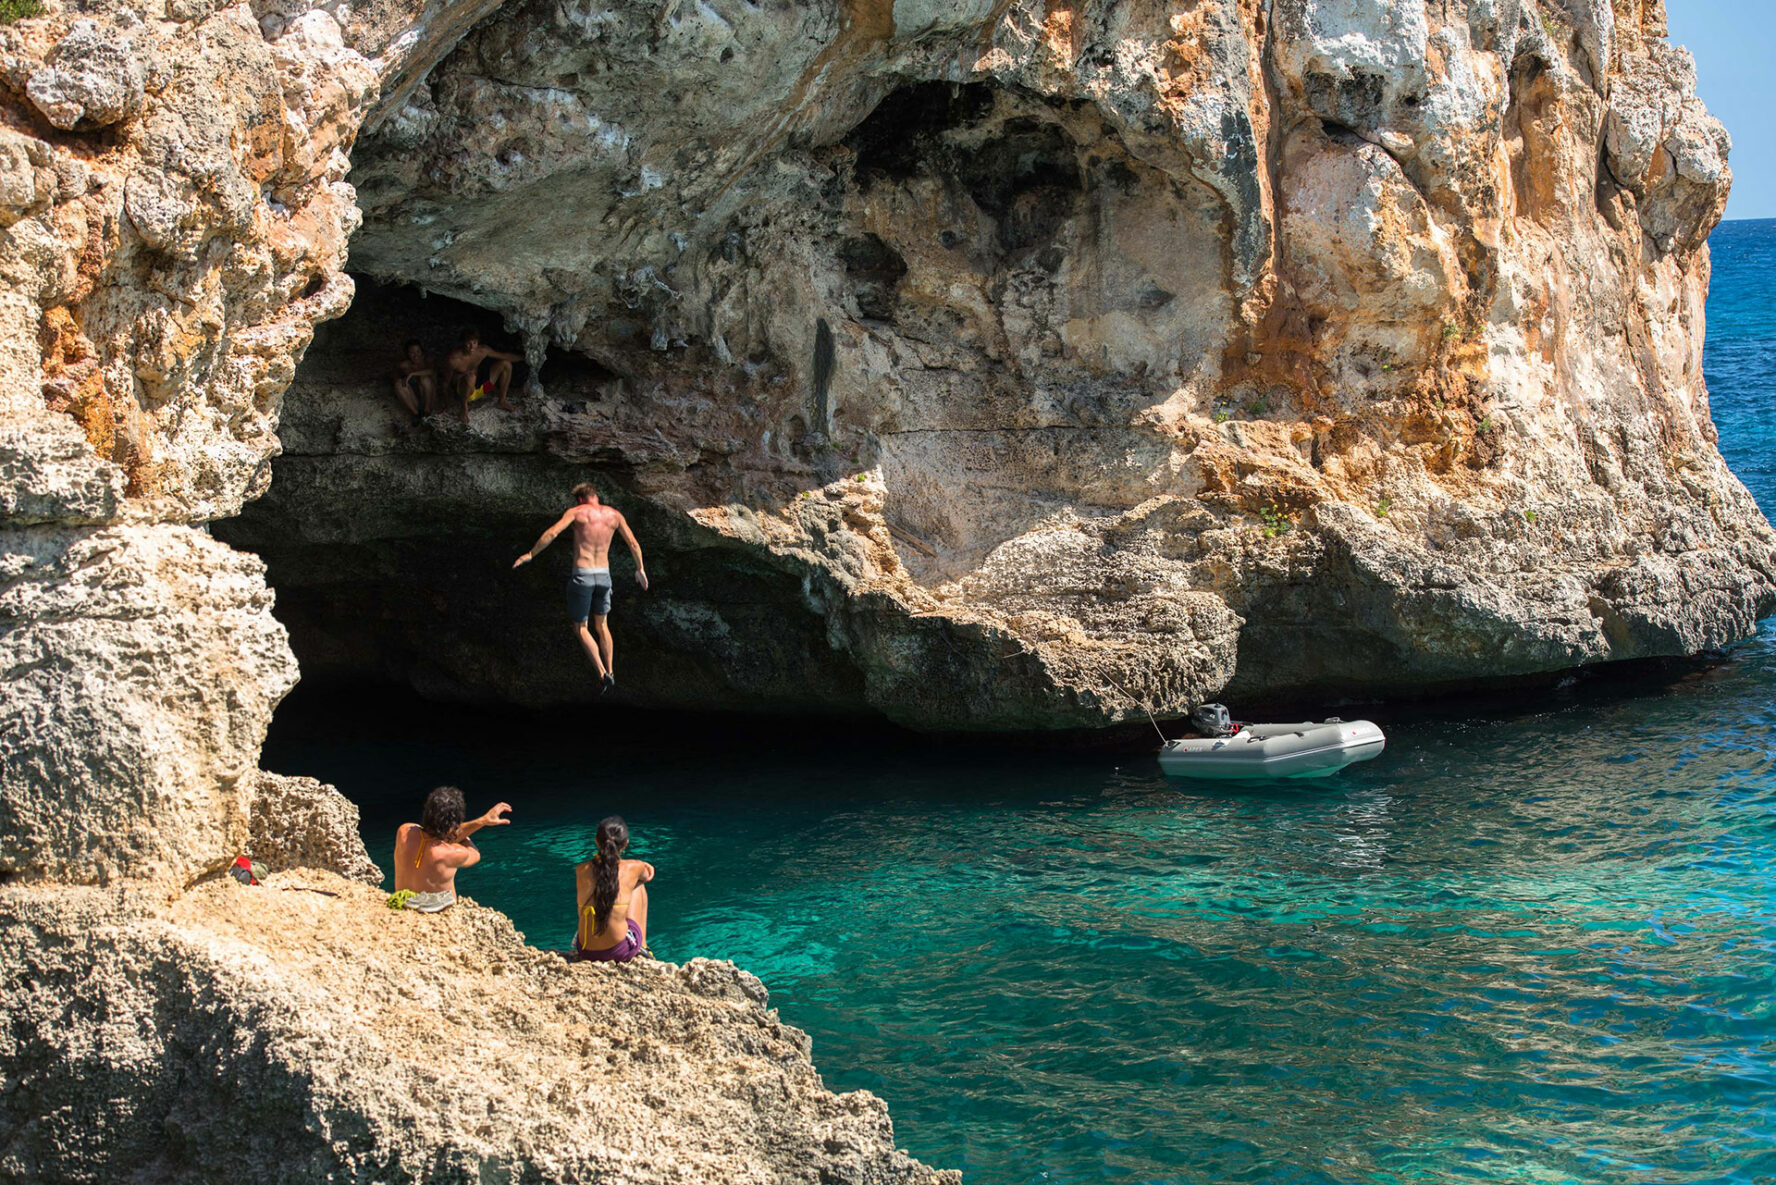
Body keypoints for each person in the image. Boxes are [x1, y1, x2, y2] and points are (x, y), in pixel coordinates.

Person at [512, 481, 648, 694]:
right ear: (596, 496)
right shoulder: (615, 515)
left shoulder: (576, 512)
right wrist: (640, 569)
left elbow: (552, 533)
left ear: (581, 499)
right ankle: (611, 671)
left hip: (583, 576)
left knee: (581, 628)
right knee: (602, 625)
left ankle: (602, 674)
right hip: (604, 576)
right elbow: (633, 544)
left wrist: (530, 554)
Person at [390, 786, 512, 912]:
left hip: (402, 903)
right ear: (454, 824)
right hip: (436, 912)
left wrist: (482, 821)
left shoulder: (404, 831)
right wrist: (481, 823)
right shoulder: (454, 853)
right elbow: (475, 854)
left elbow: (434, 837)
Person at [573, 815, 654, 962]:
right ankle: (643, 947)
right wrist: (641, 864)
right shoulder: (633, 868)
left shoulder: (581, 870)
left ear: (596, 841)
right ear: (625, 844)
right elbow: (647, 875)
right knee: (638, 884)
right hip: (618, 951)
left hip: (585, 950)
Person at [442, 328, 521, 422]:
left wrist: (524, 358)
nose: (472, 347)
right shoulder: (453, 360)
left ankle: (502, 401)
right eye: (468, 343)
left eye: (474, 343)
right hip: (465, 395)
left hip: (482, 390)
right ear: (462, 342)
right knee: (470, 376)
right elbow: (445, 383)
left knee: (506, 364)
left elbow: (504, 356)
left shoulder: (482, 350)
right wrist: (447, 404)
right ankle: (464, 409)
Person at [390, 339, 437, 419]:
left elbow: (431, 371)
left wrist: (412, 374)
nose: (415, 355)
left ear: (422, 351)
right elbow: (394, 375)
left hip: (429, 399)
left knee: (424, 379)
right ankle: (416, 414)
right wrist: (401, 382)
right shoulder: (405, 365)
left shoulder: (428, 360)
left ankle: (427, 411)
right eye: (412, 353)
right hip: (415, 400)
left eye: (418, 351)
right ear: (407, 354)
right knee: (399, 384)